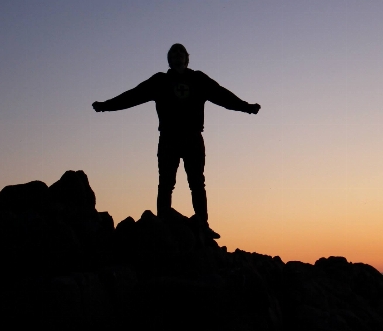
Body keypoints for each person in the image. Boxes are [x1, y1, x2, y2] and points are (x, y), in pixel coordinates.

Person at [92, 43, 260, 238]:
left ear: (187, 58)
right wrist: (106, 106)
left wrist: (246, 107)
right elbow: (133, 96)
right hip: (168, 139)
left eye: (181, 51)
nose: (177, 54)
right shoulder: (160, 81)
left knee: (197, 183)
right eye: (173, 52)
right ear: (169, 59)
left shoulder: (198, 79)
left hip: (193, 138)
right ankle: (162, 222)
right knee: (165, 183)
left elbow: (222, 95)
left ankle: (202, 225)